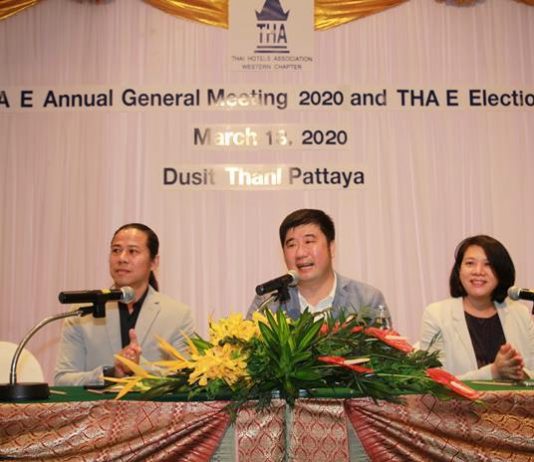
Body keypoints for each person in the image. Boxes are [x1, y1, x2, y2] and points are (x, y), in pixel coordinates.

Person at [54, 223, 194, 386]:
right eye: (116, 250)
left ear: (154, 262)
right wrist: (110, 373)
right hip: (99, 403)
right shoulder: (83, 313)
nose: (122, 258)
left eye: (132, 251)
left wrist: (139, 366)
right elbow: (62, 380)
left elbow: (187, 379)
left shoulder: (178, 315)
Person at [419, 235, 534, 381]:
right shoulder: (436, 315)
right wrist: (493, 372)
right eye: (470, 263)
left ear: (501, 271)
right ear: (459, 270)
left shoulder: (520, 313)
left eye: (488, 264)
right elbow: (429, 381)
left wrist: (521, 374)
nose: (478, 271)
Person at [247, 209, 390, 323]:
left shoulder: (366, 299)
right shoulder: (268, 302)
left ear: (331, 247)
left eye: (309, 241)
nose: (300, 253)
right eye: (291, 245)